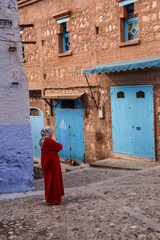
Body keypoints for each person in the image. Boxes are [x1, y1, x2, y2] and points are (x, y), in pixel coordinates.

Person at [39, 126, 64, 204]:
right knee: (53, 181)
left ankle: (49, 198)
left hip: (45, 162)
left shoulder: (41, 140)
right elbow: (59, 147)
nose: (52, 133)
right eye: (51, 131)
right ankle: (54, 199)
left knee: (48, 181)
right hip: (51, 164)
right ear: (48, 132)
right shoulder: (48, 140)